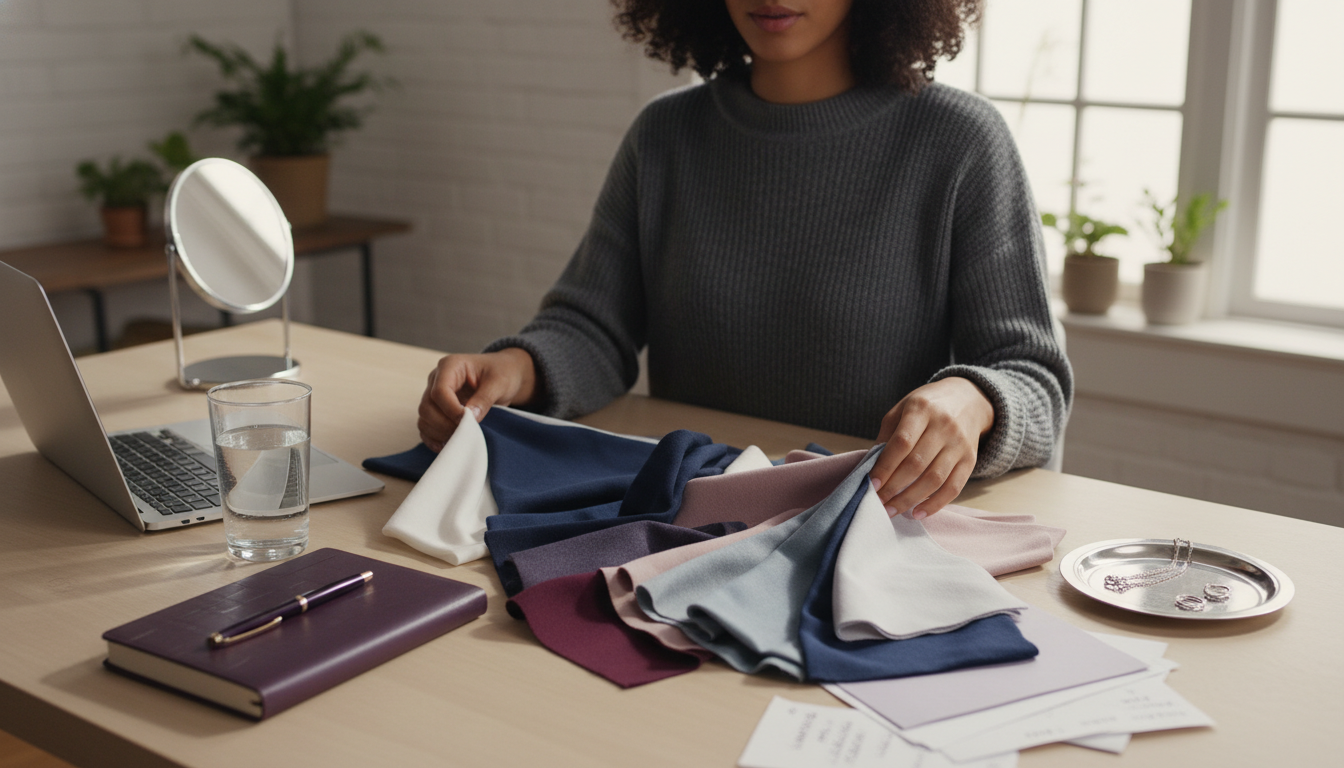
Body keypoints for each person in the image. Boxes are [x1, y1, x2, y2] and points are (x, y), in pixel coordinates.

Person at [418, 0, 1072, 520]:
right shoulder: (666, 136)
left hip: (871, 531)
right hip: (691, 525)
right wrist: (515, 367)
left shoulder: (958, 143)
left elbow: (1032, 377)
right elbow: (592, 328)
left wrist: (971, 398)